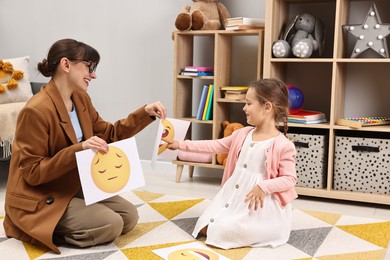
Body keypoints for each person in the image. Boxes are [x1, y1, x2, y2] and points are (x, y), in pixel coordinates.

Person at [3, 39, 167, 254]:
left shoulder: (80, 99)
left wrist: (145, 113)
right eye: (90, 66)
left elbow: (108, 135)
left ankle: (73, 219)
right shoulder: (35, 111)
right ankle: (34, 228)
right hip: (41, 194)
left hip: (72, 184)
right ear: (66, 64)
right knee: (111, 224)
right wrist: (78, 149)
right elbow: (33, 173)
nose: (94, 74)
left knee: (128, 216)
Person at [164, 78, 297, 249]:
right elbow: (215, 145)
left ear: (267, 107)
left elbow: (289, 179)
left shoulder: (283, 145)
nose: (244, 108)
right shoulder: (242, 134)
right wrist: (182, 144)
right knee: (205, 226)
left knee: (221, 231)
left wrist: (263, 187)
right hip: (234, 196)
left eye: (249, 103)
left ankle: (256, 228)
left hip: (259, 204)